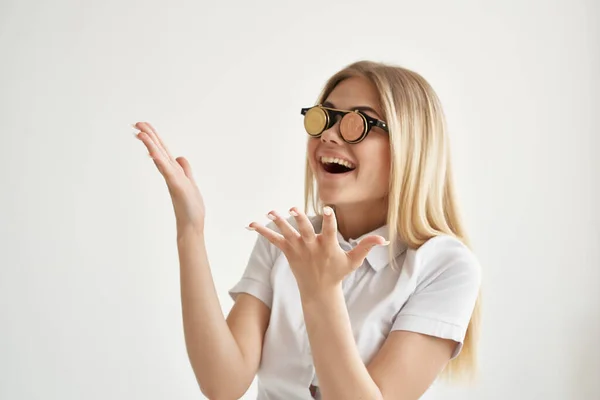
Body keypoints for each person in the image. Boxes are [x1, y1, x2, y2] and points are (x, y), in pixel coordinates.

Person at [133, 60, 482, 400]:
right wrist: (190, 230)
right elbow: (222, 384)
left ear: (410, 145)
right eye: (325, 118)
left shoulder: (445, 266)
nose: (328, 135)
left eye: (356, 123)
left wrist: (321, 291)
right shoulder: (284, 241)